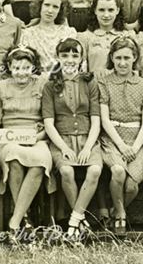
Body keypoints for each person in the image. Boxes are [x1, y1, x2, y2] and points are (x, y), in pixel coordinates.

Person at [42, 38, 102, 239]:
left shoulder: (89, 82)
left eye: (74, 55)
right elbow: (49, 123)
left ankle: (75, 220)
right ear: (58, 57)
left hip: (87, 138)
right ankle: (81, 220)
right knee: (66, 171)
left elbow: (96, 120)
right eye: (65, 55)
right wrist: (63, 148)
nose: (70, 59)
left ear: (81, 58)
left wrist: (87, 148)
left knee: (94, 170)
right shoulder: (51, 85)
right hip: (62, 139)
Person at [96, 37, 143, 235]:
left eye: (127, 58)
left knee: (131, 188)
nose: (122, 63)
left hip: (136, 139)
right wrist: (121, 146)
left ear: (134, 58)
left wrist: (135, 148)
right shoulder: (104, 82)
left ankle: (113, 212)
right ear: (112, 58)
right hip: (113, 138)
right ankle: (120, 214)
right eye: (118, 58)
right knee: (118, 171)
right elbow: (104, 119)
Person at [0, 46, 52, 242]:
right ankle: (24, 218)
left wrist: (38, 137)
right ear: (9, 67)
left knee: (40, 162)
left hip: (36, 137)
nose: (21, 72)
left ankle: (15, 222)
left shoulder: (42, 84)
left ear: (33, 67)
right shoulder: (0, 87)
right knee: (14, 160)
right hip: (9, 137)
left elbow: (49, 119)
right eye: (17, 67)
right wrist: (7, 137)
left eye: (26, 67)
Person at [19, 0, 79, 74]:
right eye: (47, 5)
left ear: (60, 10)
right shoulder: (28, 33)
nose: (50, 10)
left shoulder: (68, 33)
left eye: (55, 7)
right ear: (40, 6)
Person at [76, 0, 134, 75]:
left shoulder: (128, 36)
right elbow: (82, 69)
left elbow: (135, 69)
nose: (106, 15)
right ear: (95, 10)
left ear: (117, 10)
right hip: (95, 85)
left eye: (110, 10)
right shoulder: (85, 37)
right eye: (101, 10)